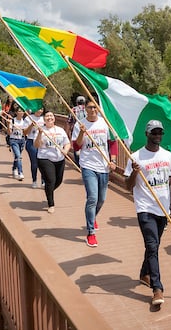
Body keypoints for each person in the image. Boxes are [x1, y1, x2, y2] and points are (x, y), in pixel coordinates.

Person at [124, 120, 171, 306]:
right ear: (147, 134)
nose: (157, 135)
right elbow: (128, 186)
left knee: (154, 245)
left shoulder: (168, 156)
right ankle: (157, 288)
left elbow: (168, 182)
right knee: (152, 246)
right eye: (154, 132)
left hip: (163, 209)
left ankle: (144, 273)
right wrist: (135, 173)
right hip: (145, 208)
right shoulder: (136, 157)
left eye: (160, 132)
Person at [72, 100, 118, 248]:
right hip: (88, 165)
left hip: (103, 166)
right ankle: (90, 232)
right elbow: (76, 146)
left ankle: (92, 217)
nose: (92, 109)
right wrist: (81, 132)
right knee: (92, 197)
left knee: (101, 199)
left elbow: (112, 143)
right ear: (85, 109)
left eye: (95, 107)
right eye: (90, 107)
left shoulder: (105, 124)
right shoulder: (80, 124)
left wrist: (113, 160)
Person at [35, 110, 71, 213]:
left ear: (54, 118)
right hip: (45, 158)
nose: (49, 117)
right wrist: (39, 134)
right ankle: (51, 204)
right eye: (47, 116)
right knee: (51, 180)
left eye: (51, 116)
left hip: (59, 159)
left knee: (58, 181)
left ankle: (48, 190)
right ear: (44, 119)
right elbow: (36, 145)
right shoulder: (41, 131)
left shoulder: (60, 130)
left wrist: (65, 150)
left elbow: (67, 143)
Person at [24, 107, 45, 188]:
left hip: (42, 142)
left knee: (43, 162)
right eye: (38, 109)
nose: (39, 111)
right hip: (31, 142)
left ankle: (43, 181)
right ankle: (34, 180)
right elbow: (25, 133)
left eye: (41, 109)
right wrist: (31, 125)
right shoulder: (28, 118)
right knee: (34, 162)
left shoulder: (44, 119)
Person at [7, 107, 29, 180]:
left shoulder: (25, 122)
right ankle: (20, 172)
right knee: (18, 156)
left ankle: (14, 168)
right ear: (16, 112)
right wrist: (8, 125)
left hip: (22, 140)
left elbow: (26, 132)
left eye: (22, 111)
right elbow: (9, 133)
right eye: (19, 111)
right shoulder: (12, 121)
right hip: (14, 140)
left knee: (17, 157)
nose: (21, 113)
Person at [66, 95, 87, 165]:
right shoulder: (87, 109)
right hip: (86, 131)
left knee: (76, 146)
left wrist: (67, 133)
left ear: (77, 102)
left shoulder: (73, 110)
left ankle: (78, 163)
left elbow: (69, 122)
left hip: (75, 131)